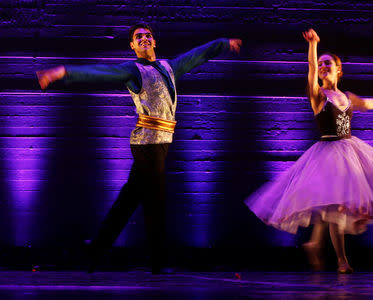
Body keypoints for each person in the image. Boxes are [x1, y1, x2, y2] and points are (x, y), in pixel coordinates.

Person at [37, 23, 242, 274]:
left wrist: (222, 43)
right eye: (138, 37)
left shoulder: (169, 67)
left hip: (161, 144)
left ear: (154, 42)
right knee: (156, 201)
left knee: (128, 201)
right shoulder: (133, 70)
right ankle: (158, 263)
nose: (144, 39)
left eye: (148, 35)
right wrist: (62, 73)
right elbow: (101, 72)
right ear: (132, 46)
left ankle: (94, 253)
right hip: (147, 145)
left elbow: (195, 56)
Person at [245, 28, 373, 274]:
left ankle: (320, 245)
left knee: (336, 207)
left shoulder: (348, 97)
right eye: (321, 64)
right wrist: (313, 45)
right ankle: (339, 258)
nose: (322, 66)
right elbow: (310, 69)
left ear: (339, 70)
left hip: (350, 150)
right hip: (327, 153)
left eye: (327, 63)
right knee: (334, 207)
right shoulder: (318, 96)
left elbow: (369, 104)